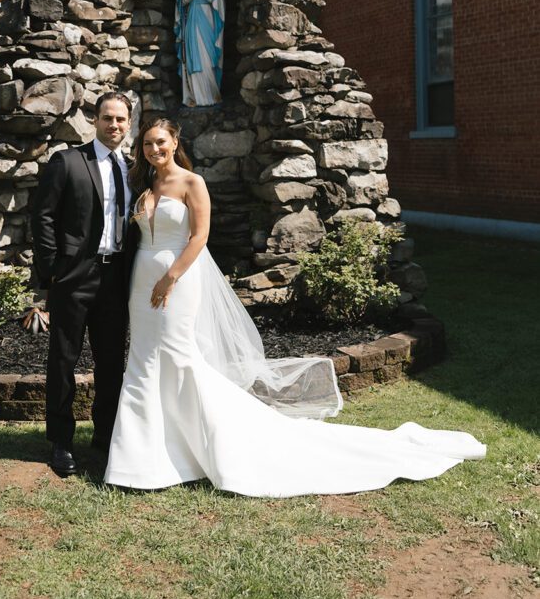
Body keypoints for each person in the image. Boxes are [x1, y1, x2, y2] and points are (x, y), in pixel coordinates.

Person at [104, 118, 486, 497]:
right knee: (143, 358)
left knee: (179, 357)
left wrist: (171, 277)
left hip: (178, 280)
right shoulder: (144, 185)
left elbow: (200, 236)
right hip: (142, 280)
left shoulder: (192, 182)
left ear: (175, 142)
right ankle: (144, 456)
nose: (154, 149)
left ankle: (206, 442)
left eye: (161, 141)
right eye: (148, 143)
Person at [32, 92, 135, 478]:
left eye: (121, 119)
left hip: (116, 278)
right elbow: (42, 216)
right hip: (73, 277)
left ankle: (105, 437)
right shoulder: (69, 161)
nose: (114, 125)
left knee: (112, 363)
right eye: (108, 117)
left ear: (129, 123)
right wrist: (51, 270)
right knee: (63, 360)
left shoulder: (133, 169)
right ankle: (60, 441)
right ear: (95, 120)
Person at [174, 0, 225, 107]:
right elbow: (180, 2)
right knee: (192, 55)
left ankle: (211, 94)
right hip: (192, 20)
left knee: (208, 57)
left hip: (209, 20)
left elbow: (219, 2)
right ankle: (195, 96)